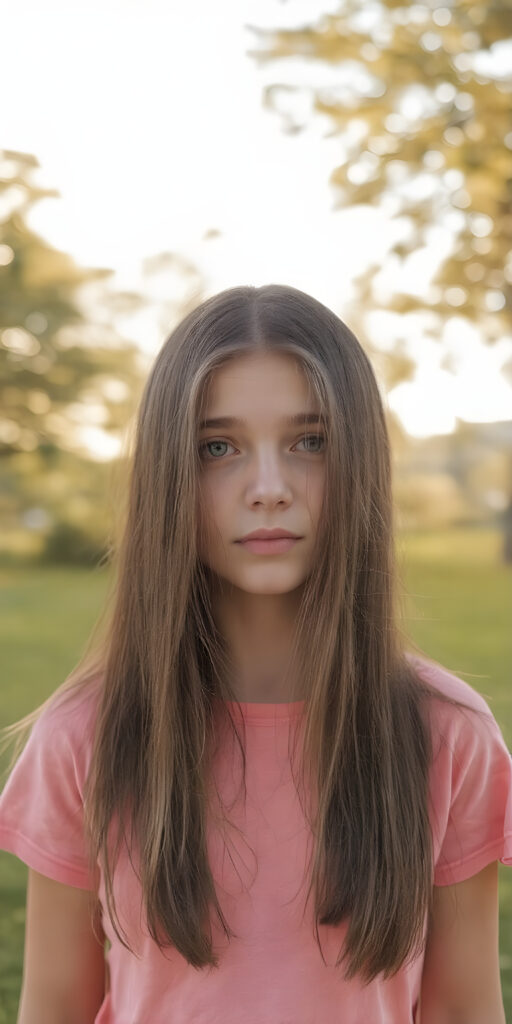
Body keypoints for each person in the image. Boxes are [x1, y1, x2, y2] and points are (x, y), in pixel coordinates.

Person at [0, 283, 511, 1023]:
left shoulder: (449, 735)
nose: (268, 489)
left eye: (310, 442)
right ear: (169, 476)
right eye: (218, 448)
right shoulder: (84, 735)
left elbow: (466, 1009)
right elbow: (53, 1007)